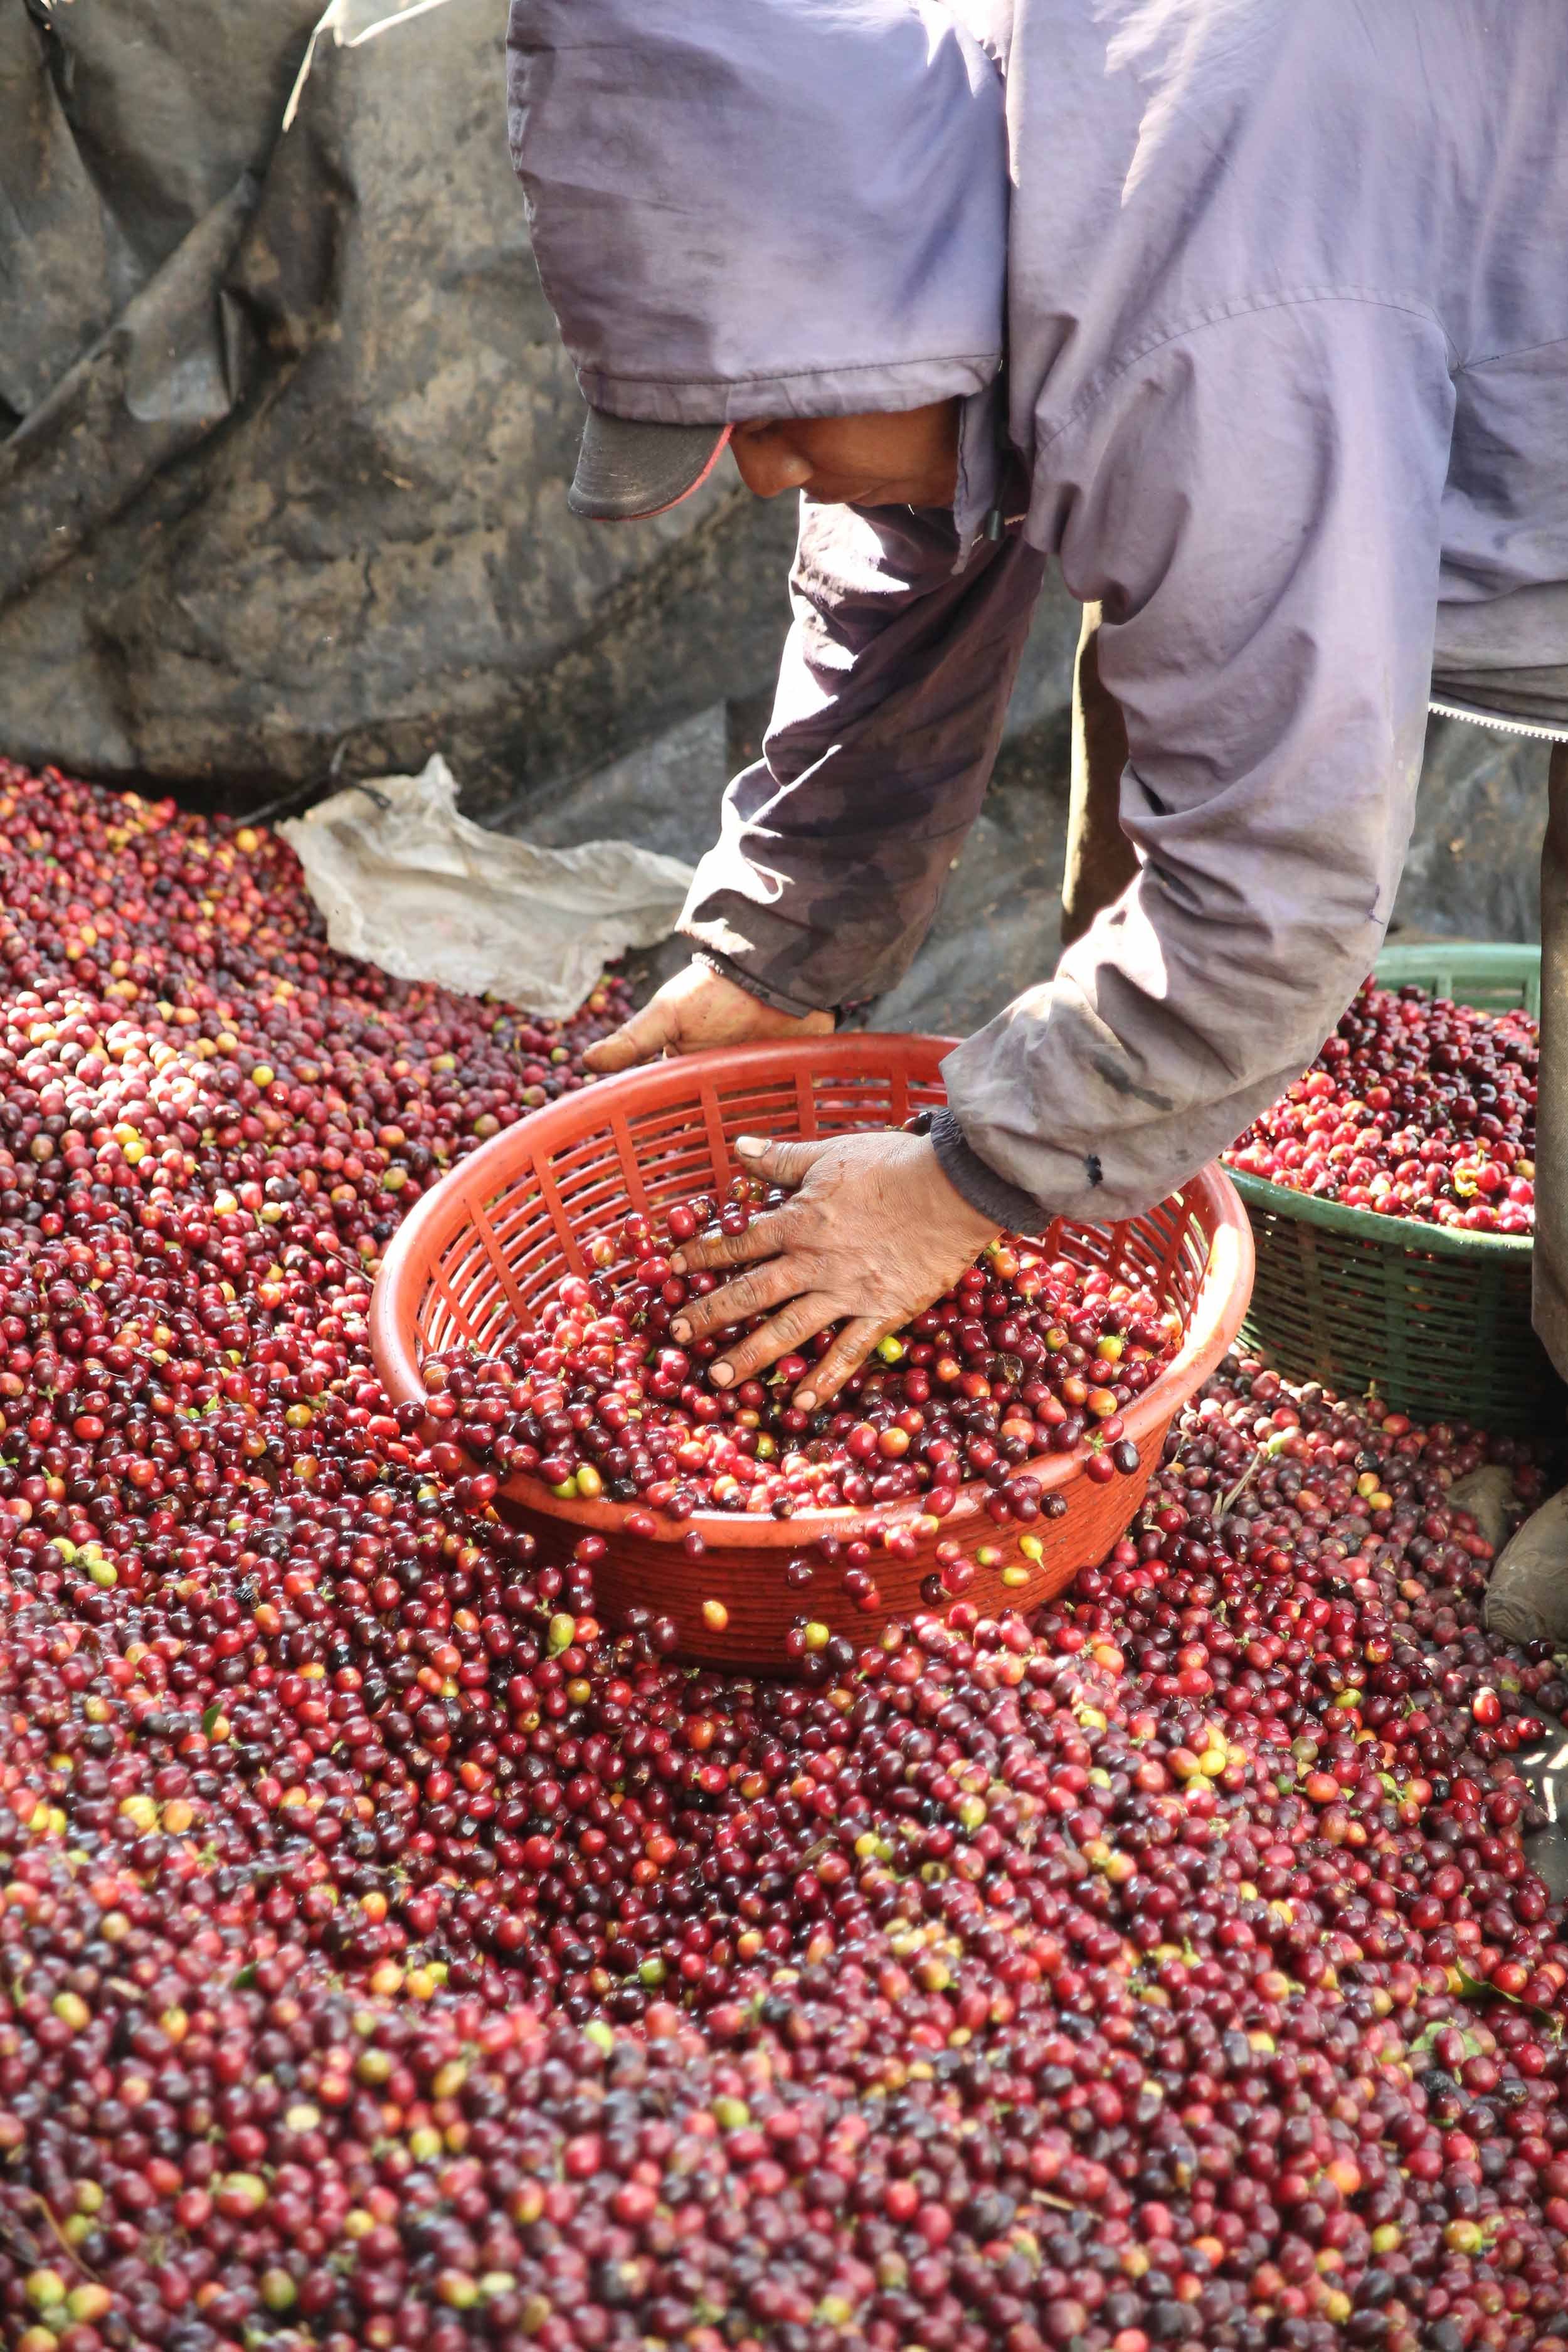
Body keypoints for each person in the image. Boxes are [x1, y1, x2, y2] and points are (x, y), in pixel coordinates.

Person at [506, 0, 1568, 1635]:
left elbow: (1271, 885)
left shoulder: (1202, 322)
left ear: (900, 304)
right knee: (1163, 706)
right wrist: (781, 938)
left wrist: (953, 1192)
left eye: (772, 420)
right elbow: (906, 548)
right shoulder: (962, 167)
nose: (766, 473)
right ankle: (1105, 1153)